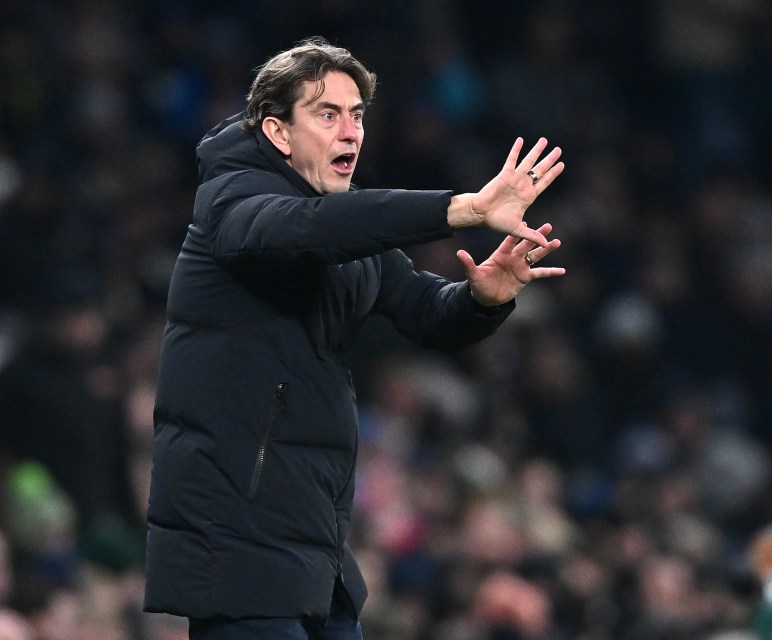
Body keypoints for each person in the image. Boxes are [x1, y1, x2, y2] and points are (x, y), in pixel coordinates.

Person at [142, 36, 565, 640]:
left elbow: (424, 308)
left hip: (315, 548)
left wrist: (482, 298)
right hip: (236, 549)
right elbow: (300, 232)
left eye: (358, 114)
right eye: (327, 113)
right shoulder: (230, 200)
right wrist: (461, 208)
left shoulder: (342, 227)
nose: (351, 131)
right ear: (278, 132)